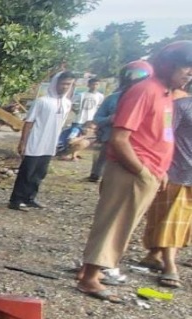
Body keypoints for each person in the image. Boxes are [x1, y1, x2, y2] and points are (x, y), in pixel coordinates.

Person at [76, 41, 192, 302]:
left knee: (123, 225)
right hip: (131, 169)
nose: (189, 73)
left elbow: (159, 135)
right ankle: (89, 278)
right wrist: (141, 170)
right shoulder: (146, 91)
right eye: (186, 67)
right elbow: (119, 138)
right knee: (113, 223)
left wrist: (159, 170)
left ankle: (93, 271)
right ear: (169, 65)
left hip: (148, 171)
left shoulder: (164, 94)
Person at [140, 85, 192, 288]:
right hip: (177, 171)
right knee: (171, 220)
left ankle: (153, 255)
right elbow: (165, 135)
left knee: (180, 221)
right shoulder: (179, 107)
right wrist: (161, 166)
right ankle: (170, 266)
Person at [9, 71, 75, 211]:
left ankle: (30, 198)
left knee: (40, 173)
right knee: (27, 172)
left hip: (50, 144)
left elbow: (61, 125)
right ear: (55, 83)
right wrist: (23, 142)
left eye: (68, 84)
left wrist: (57, 142)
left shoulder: (67, 103)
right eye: (63, 83)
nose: (65, 87)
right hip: (35, 142)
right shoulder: (42, 101)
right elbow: (29, 122)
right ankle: (16, 200)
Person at [88, 62, 154, 182]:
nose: (134, 80)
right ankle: (96, 174)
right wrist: (111, 119)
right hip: (110, 141)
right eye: (131, 76)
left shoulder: (153, 100)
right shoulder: (112, 99)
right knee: (110, 178)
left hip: (139, 147)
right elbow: (97, 119)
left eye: (139, 77)